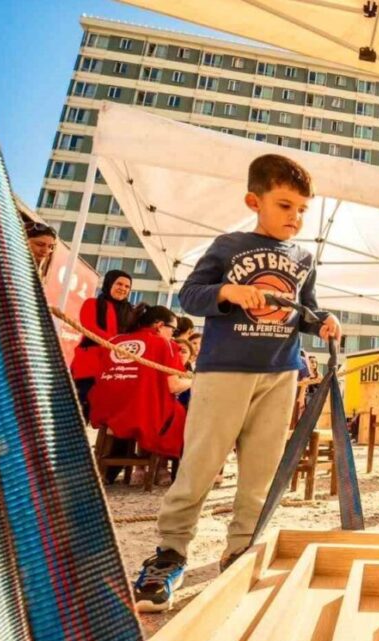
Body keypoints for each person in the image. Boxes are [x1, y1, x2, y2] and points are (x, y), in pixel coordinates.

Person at [132, 154, 340, 612]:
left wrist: (323, 320)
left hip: (281, 374)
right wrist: (226, 291)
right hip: (223, 372)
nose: (296, 217)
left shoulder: (304, 258)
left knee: (261, 472)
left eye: (303, 209)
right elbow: (189, 295)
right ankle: (170, 554)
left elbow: (303, 310)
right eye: (285, 206)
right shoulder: (228, 245)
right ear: (254, 200)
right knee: (201, 465)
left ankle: (242, 551)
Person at [88, 305, 191, 484]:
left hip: (105, 410)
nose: (173, 335)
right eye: (172, 330)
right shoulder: (164, 344)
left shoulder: (115, 340)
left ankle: (124, 469)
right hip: (141, 412)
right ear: (159, 325)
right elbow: (173, 386)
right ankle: (160, 469)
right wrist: (194, 380)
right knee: (181, 413)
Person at [70, 270, 134, 419]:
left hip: (115, 368)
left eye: (127, 286)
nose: (123, 288)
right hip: (89, 365)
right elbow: (89, 327)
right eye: (119, 284)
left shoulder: (131, 312)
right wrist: (118, 343)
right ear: (109, 283)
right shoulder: (92, 303)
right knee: (77, 409)